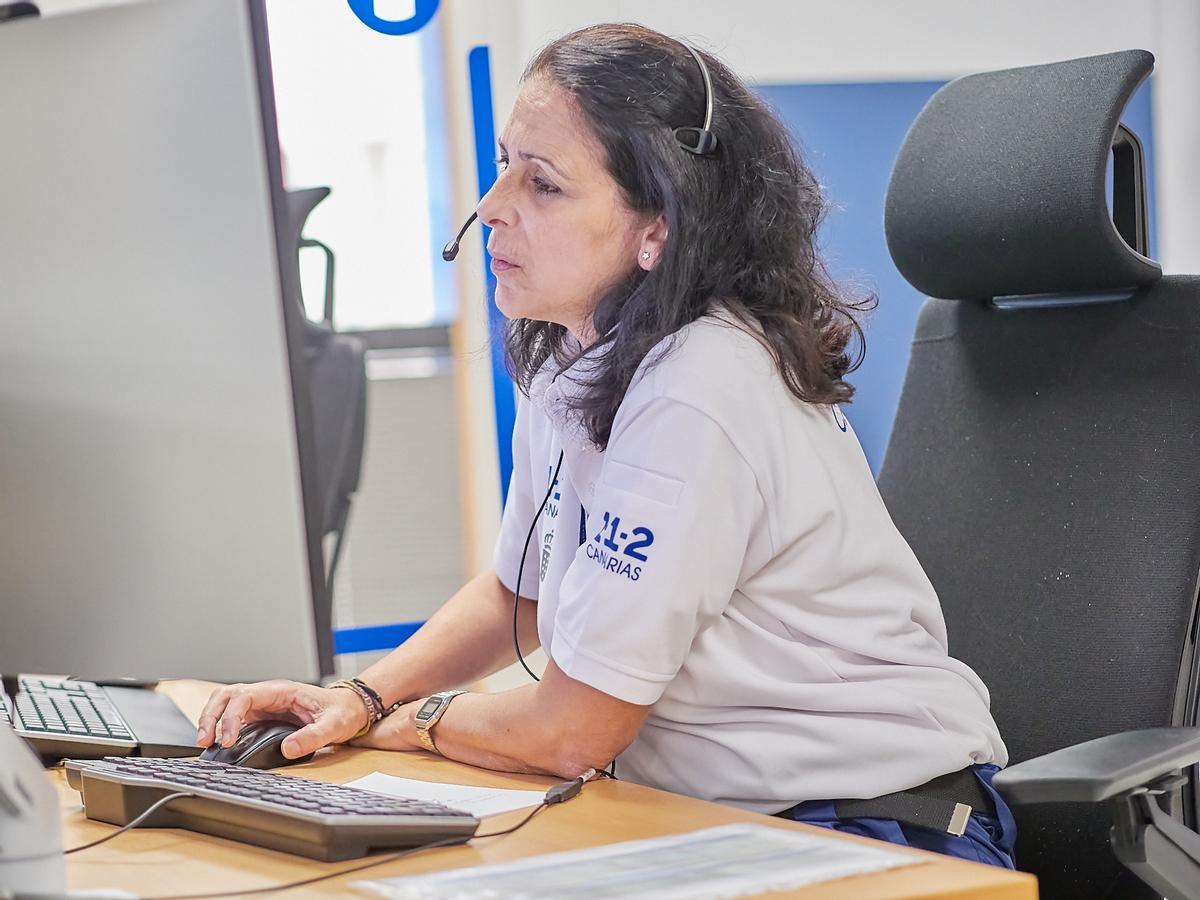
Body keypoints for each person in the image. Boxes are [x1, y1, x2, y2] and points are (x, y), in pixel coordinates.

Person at [197, 23, 1015, 867]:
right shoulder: (577, 359)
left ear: (655, 227)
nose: (494, 205)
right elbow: (520, 591)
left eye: (543, 184)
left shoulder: (702, 384)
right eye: (505, 163)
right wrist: (360, 698)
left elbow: (571, 730)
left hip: (878, 833)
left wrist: (419, 723)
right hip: (735, 821)